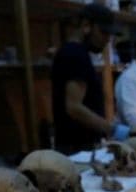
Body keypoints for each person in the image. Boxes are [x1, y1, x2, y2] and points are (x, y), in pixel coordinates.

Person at [51, 3, 129, 154]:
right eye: (103, 32)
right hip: (77, 148)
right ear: (86, 25)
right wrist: (112, 129)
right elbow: (74, 107)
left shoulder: (74, 52)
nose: (107, 39)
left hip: (79, 146)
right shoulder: (75, 54)